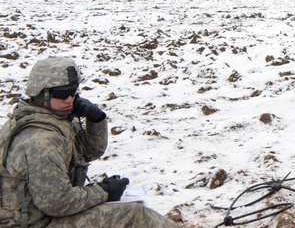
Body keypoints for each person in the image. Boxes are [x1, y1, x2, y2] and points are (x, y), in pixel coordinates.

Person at [0, 56, 175, 227]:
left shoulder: (47, 119)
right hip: (36, 223)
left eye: (73, 92)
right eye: (62, 94)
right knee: (135, 215)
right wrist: (105, 191)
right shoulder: (41, 139)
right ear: (41, 94)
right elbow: (58, 202)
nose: (70, 99)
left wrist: (96, 119)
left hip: (41, 217)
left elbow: (90, 151)